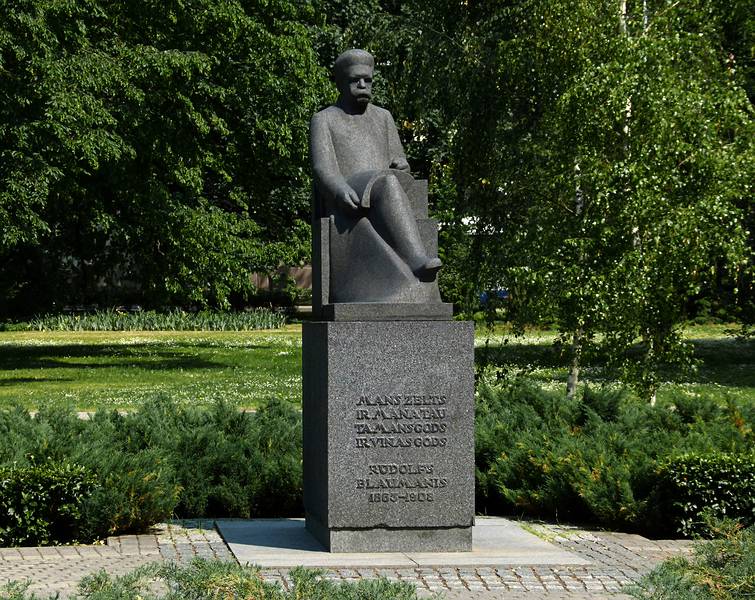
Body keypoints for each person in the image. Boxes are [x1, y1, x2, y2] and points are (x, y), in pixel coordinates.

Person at [310, 49, 442, 279]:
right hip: (351, 192)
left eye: (368, 80)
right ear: (341, 83)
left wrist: (402, 165)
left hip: (384, 188)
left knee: (391, 181)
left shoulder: (384, 117)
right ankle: (416, 260)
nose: (363, 85)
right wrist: (339, 190)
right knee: (387, 183)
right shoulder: (324, 119)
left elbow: (399, 159)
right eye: (355, 80)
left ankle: (412, 266)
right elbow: (322, 167)